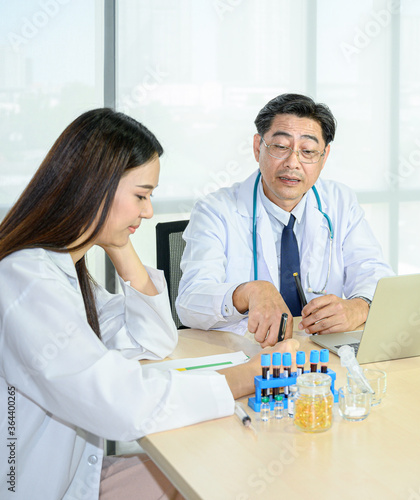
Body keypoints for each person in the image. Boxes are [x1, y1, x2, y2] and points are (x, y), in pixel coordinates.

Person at [0, 109, 297, 500]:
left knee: (209, 469)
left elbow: (154, 342)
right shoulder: (26, 281)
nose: (148, 211)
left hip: (75, 478)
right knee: (223, 476)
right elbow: (122, 404)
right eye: (141, 195)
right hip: (35, 488)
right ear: (94, 187)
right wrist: (247, 376)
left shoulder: (63, 271)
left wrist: (121, 247)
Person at [176, 93, 393, 347]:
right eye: (280, 147)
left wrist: (359, 307)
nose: (293, 163)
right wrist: (249, 292)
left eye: (308, 151)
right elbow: (189, 303)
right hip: (247, 353)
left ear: (324, 157)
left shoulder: (340, 202)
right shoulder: (216, 210)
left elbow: (376, 275)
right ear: (258, 147)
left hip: (320, 355)